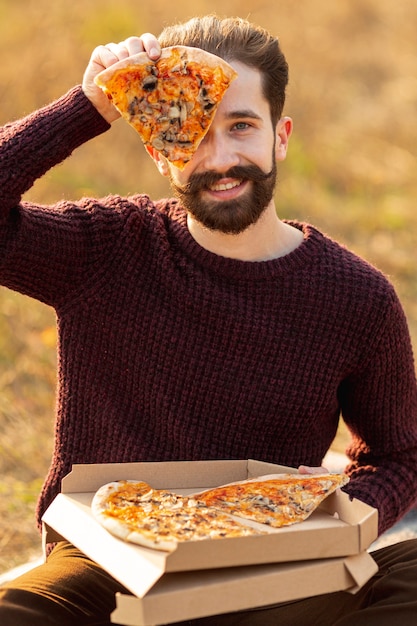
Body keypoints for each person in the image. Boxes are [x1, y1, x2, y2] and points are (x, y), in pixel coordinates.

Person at [0, 14, 417, 626]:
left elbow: (401, 455)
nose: (218, 158)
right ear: (157, 150)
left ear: (281, 135)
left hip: (271, 569)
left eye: (241, 126)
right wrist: (87, 105)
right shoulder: (107, 246)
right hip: (105, 562)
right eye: (190, 132)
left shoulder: (358, 298)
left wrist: (335, 510)